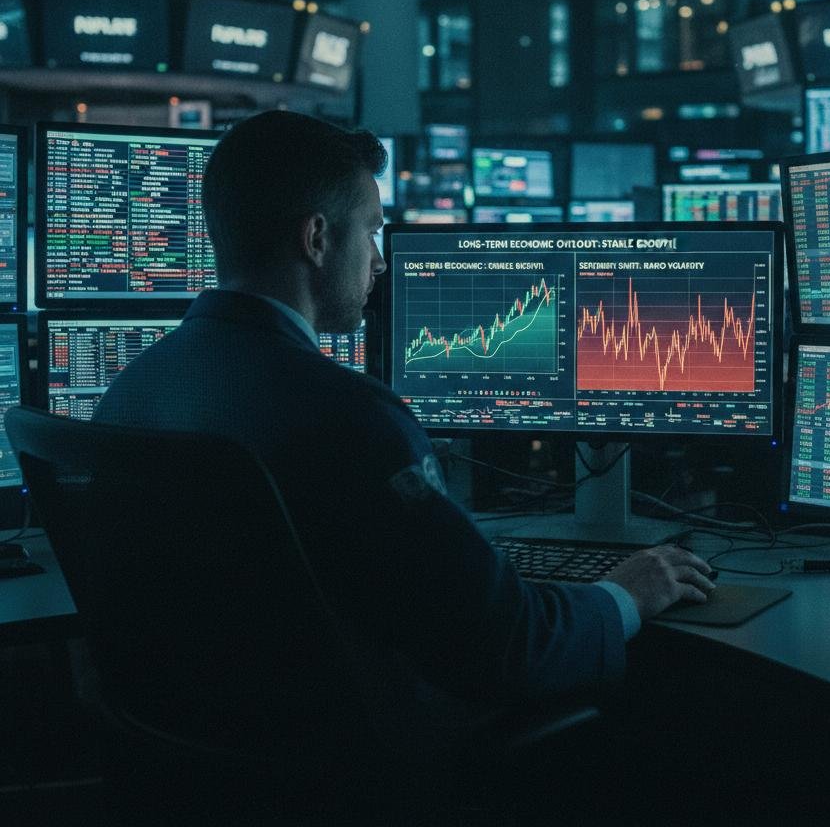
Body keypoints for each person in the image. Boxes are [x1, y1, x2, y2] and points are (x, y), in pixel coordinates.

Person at [95, 110, 715, 763]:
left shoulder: (129, 395)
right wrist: (627, 593)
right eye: (372, 231)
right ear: (317, 238)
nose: (381, 261)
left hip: (194, 765)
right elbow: (507, 648)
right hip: (349, 773)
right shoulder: (348, 416)